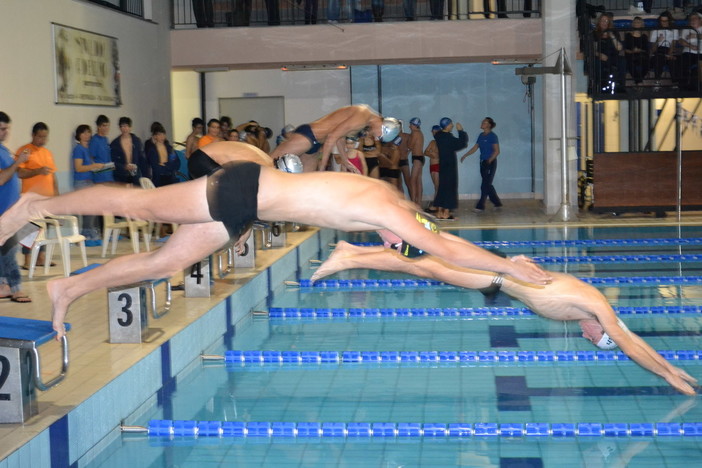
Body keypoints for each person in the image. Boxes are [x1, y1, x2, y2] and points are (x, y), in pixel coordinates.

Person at [0, 142, 552, 340]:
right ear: (398, 220)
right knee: (135, 204)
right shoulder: (385, 209)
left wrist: (500, 266)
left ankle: (68, 287)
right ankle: (37, 204)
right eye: (398, 239)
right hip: (239, 189)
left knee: (162, 264)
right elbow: (443, 250)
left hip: (243, 209)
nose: (396, 242)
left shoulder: (382, 198)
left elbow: (433, 239)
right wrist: (507, 268)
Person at [311, 241, 698, 396]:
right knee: (424, 265)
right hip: (494, 275)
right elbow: (630, 343)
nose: (585, 333)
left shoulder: (586, 310)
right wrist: (666, 373)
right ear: (603, 332)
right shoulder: (599, 308)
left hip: (501, 276)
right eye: (591, 337)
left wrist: (673, 368)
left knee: (425, 264)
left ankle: (351, 251)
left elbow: (629, 339)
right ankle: (349, 256)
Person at [269, 105, 400, 174]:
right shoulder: (362, 116)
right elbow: (331, 138)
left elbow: (339, 138)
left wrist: (345, 161)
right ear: (384, 128)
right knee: (267, 163)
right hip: (308, 135)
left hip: (315, 145)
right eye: (379, 136)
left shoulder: (365, 119)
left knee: (302, 181)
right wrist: (322, 168)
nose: (376, 137)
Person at [16, 122, 58, 269]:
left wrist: (57, 196)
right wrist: (37, 171)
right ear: (33, 135)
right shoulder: (24, 151)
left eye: (45, 137)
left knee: (45, 228)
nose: (42, 140)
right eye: (40, 136)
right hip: (30, 199)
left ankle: (41, 258)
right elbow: (20, 173)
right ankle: (27, 260)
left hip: (47, 198)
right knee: (29, 229)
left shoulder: (47, 153)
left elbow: (53, 176)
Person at [0, 112, 31, 303]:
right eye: (2, 129)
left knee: (5, 250)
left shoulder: (4, 150)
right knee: (10, 250)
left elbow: (13, 175)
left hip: (12, 209)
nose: (6, 132)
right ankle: (16, 288)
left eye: (7, 128)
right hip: (3, 211)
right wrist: (17, 163)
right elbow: (2, 178)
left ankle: (4, 286)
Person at [461, 117, 502, 213]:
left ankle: (480, 206)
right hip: (482, 162)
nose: (482, 123)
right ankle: (497, 202)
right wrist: (465, 155)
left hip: (490, 162)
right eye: (483, 122)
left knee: (484, 185)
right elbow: (475, 147)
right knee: (487, 184)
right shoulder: (481, 135)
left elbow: (497, 151)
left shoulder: (492, 136)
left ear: (489, 125)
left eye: (484, 122)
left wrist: (489, 160)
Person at [72, 125, 104, 241]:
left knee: (93, 209)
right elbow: (79, 168)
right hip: (82, 183)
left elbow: (89, 166)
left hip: (90, 181)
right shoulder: (78, 149)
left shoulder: (88, 149)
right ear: (79, 135)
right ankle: (86, 235)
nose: (87, 135)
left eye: (88, 133)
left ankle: (91, 234)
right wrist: (94, 166)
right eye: (84, 133)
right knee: (88, 210)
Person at [433, 117, 467, 220]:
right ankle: (446, 213)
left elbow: (438, 133)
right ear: (447, 125)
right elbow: (462, 143)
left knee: (442, 187)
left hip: (443, 165)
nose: (452, 125)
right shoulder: (448, 138)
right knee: (449, 188)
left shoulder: (438, 136)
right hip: (449, 166)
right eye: (451, 124)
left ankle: (439, 212)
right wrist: (461, 131)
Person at [591, 13, 626, 94]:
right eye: (603, 21)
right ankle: (601, 86)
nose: (605, 23)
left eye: (607, 21)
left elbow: (619, 48)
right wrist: (599, 54)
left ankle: (620, 86)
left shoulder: (614, 33)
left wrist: (612, 36)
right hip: (600, 56)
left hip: (613, 56)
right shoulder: (594, 33)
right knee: (598, 64)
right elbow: (592, 49)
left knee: (622, 61)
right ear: (599, 22)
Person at [111, 117, 147, 186]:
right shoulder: (115, 143)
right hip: (121, 174)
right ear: (119, 128)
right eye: (122, 126)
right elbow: (113, 162)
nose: (124, 129)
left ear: (130, 127)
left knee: (137, 193)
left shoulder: (136, 141)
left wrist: (146, 175)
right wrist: (124, 166)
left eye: (126, 126)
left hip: (135, 173)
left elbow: (141, 158)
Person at [145, 122, 179, 187]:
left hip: (171, 177)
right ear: (155, 136)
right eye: (159, 135)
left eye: (163, 134)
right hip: (159, 179)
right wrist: (169, 166)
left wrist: (165, 165)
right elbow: (156, 168)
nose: (162, 137)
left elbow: (177, 164)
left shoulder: (170, 148)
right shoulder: (152, 151)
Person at [650, 11, 680, 87]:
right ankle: (657, 81)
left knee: (672, 61)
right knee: (658, 59)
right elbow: (653, 49)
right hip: (659, 50)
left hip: (670, 49)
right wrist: (657, 41)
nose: (664, 23)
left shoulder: (674, 30)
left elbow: (673, 44)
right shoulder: (655, 30)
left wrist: (669, 54)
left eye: (665, 21)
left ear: (669, 21)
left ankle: (675, 83)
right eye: (662, 21)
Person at [678, 12, 702, 92]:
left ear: (700, 20)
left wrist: (695, 36)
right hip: (689, 51)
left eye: (695, 18)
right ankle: (683, 86)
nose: (692, 20)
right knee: (683, 62)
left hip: (701, 52)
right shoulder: (686, 29)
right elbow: (681, 40)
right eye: (691, 19)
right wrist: (691, 46)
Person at [623, 17, 650, 85]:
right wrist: (632, 51)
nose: (636, 24)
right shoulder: (628, 35)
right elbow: (626, 49)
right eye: (635, 22)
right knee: (630, 61)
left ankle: (638, 81)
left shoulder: (644, 36)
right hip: (631, 54)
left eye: (638, 22)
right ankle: (639, 82)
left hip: (641, 55)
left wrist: (640, 50)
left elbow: (646, 49)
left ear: (641, 24)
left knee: (646, 61)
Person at [90, 115, 115, 183]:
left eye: (107, 125)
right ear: (98, 126)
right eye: (104, 126)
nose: (106, 128)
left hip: (109, 176)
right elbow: (91, 159)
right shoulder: (94, 140)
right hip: (100, 178)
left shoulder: (105, 139)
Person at [407, 117, 425, 205]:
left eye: (410, 124)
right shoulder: (420, 133)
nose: (409, 126)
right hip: (420, 158)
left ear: (414, 125)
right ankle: (419, 202)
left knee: (412, 180)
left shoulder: (414, 133)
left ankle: (414, 202)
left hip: (417, 158)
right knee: (418, 180)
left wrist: (408, 139)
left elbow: (410, 145)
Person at [425, 125, 441, 211]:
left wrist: (436, 155)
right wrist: (431, 154)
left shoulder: (442, 142)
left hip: (438, 166)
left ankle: (437, 204)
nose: (434, 134)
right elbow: (425, 152)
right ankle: (437, 203)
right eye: (433, 132)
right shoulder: (432, 142)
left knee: (437, 186)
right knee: (436, 186)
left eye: (435, 132)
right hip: (432, 166)